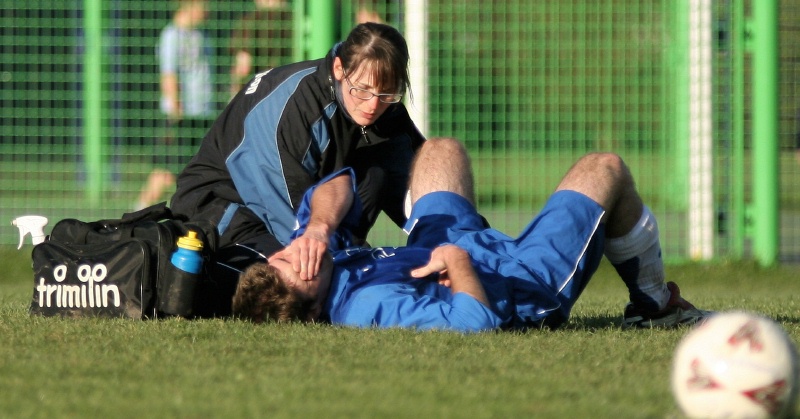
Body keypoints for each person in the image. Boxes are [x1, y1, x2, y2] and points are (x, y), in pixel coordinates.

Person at [232, 137, 713, 332]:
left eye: (284, 258)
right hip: (519, 280)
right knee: (605, 169)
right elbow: (474, 326)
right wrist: (456, 261)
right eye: (302, 269)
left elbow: (336, 183)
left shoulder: (316, 252)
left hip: (455, 245)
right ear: (314, 309)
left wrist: (318, 228)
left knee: (440, 151)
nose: (299, 255)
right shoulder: (363, 307)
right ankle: (652, 305)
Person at [170, 23, 425, 315]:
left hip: (305, 207)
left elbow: (425, 191)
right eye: (362, 90)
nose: (372, 105)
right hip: (223, 205)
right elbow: (297, 229)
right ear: (340, 69)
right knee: (294, 280)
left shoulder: (384, 107)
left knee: (381, 174)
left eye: (388, 94)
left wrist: (459, 246)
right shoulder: (295, 113)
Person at [136, 0, 216, 210]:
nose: (208, 10)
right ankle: (138, 212)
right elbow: (168, 74)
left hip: (201, 113)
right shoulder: (171, 36)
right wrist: (175, 106)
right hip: (181, 116)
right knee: (165, 172)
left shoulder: (200, 35)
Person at [228, 0, 293, 98]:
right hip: (286, 87)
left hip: (258, 92)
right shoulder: (295, 19)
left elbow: (243, 68)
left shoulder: (249, 22)